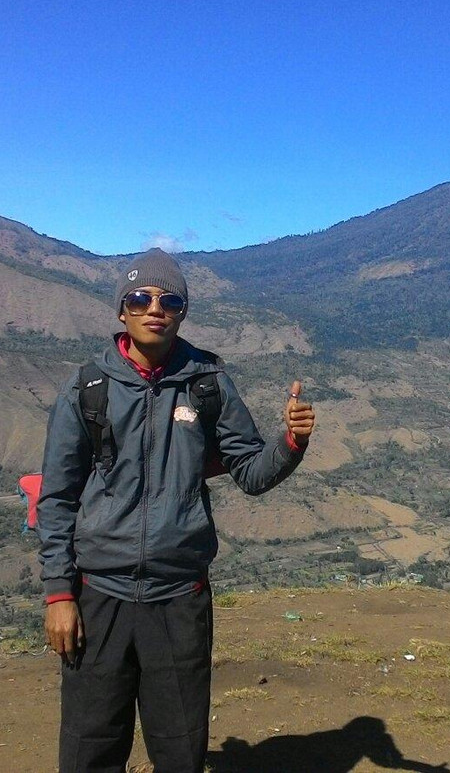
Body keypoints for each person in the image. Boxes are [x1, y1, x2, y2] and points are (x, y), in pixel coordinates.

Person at [37, 248, 315, 773]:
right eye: (140, 298)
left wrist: (291, 443)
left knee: (181, 751)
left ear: (183, 311)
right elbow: (56, 498)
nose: (154, 308)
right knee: (88, 750)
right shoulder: (88, 388)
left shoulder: (207, 383)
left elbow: (251, 473)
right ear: (122, 309)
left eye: (170, 300)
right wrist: (58, 594)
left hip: (178, 599)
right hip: (99, 596)